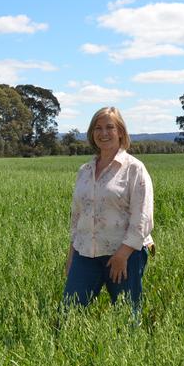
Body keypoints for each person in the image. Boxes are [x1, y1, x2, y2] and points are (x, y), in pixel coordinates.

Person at [63, 106, 154, 312]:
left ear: (120, 132)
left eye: (110, 127)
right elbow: (77, 216)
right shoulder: (84, 171)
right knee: (69, 315)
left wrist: (122, 255)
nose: (103, 133)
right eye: (98, 128)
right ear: (91, 133)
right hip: (85, 254)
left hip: (125, 255)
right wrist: (71, 256)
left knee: (126, 316)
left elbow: (143, 218)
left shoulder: (134, 168)